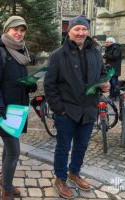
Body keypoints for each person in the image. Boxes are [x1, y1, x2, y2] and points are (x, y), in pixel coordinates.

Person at [43, 15, 110, 199]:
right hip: (67, 111)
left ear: (87, 31)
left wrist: (105, 84)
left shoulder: (95, 52)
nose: (81, 32)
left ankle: (74, 172)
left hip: (89, 109)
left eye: (84, 29)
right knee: (63, 148)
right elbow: (49, 85)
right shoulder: (57, 55)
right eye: (77, 29)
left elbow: (103, 74)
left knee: (81, 146)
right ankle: (60, 179)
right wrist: (59, 109)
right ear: (69, 31)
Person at [0, 16, 37, 199]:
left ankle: (4, 182)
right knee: (14, 151)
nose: (19, 33)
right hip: (4, 110)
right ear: (7, 30)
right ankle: (6, 189)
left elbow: (16, 80)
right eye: (15, 29)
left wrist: (30, 85)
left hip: (17, 109)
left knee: (9, 149)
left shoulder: (21, 52)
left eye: (22, 30)